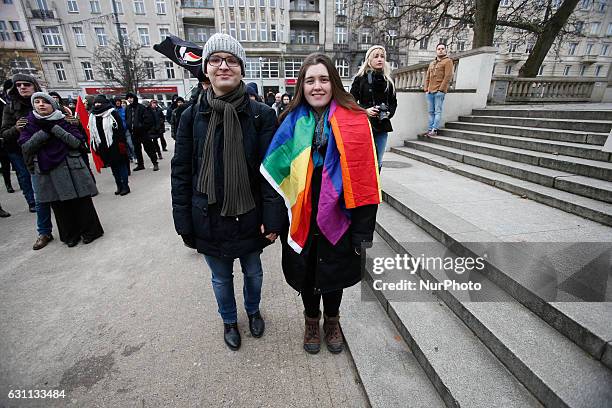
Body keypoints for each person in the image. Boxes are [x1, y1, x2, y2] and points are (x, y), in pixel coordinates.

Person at [261, 53, 380, 355]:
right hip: (300, 213)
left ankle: (333, 320)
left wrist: (363, 231)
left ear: (334, 83)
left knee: (334, 272)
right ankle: (312, 320)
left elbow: (367, 179)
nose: (317, 86)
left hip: (341, 212)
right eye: (310, 80)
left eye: (324, 79)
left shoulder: (356, 121)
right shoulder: (288, 123)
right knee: (307, 271)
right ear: (301, 85)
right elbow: (274, 175)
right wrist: (275, 220)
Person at [171, 33, 284, 351]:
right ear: (205, 68)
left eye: (231, 60)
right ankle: (230, 321)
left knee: (254, 273)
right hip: (207, 214)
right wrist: (183, 222)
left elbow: (272, 172)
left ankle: (252, 311)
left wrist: (274, 217)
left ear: (241, 69)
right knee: (221, 279)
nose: (223, 66)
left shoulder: (261, 114)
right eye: (216, 60)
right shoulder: (190, 117)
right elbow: (181, 173)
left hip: (249, 214)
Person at [18, 92, 103, 247]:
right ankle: (70, 235)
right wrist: (44, 133)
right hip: (47, 169)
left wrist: (56, 129)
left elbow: (77, 142)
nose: (41, 104)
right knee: (59, 205)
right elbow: (26, 146)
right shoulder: (29, 124)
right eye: (37, 102)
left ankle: (90, 232)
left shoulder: (66, 121)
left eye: (45, 102)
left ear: (53, 105)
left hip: (71, 167)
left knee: (81, 202)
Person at [350, 45, 397, 168]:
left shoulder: (388, 80)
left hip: (382, 125)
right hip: (364, 125)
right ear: (369, 60)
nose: (380, 59)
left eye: (382, 56)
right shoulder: (360, 79)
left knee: (378, 161)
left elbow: (393, 102)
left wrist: (388, 113)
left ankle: (376, 187)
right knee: (364, 160)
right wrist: (365, 110)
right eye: (376, 56)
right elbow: (351, 102)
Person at [0, 74, 38, 213]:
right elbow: (4, 133)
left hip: (41, 146)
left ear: (34, 86)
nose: (22, 87)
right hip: (18, 149)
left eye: (26, 84)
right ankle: (32, 201)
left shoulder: (40, 101)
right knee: (25, 175)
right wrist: (16, 128)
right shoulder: (10, 107)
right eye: (18, 85)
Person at [89, 95, 130, 196]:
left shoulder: (112, 113)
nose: (97, 105)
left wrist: (121, 143)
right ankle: (119, 185)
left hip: (116, 145)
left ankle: (125, 186)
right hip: (104, 147)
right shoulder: (93, 116)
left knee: (121, 165)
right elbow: (93, 133)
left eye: (99, 103)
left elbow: (120, 129)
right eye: (95, 103)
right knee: (113, 167)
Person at [424, 43, 454, 137]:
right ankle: (429, 129)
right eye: (438, 49)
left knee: (437, 111)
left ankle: (434, 130)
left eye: (442, 48)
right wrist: (426, 89)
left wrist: (441, 90)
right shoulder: (432, 63)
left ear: (445, 50)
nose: (440, 50)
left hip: (439, 91)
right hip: (430, 91)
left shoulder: (448, 61)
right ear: (436, 51)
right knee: (430, 112)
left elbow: (448, 76)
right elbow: (427, 76)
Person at [125, 92, 159, 171]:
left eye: (131, 98)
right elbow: (127, 119)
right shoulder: (128, 108)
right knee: (137, 149)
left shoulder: (141, 107)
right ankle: (140, 164)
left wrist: (142, 127)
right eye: (128, 98)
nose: (129, 99)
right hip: (133, 133)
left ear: (134, 98)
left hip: (143, 132)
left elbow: (148, 119)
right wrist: (129, 126)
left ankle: (155, 163)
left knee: (149, 148)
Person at [114, 97, 135, 161]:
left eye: (119, 101)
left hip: (126, 130)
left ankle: (135, 156)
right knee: (124, 146)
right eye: (116, 101)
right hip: (119, 131)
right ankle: (129, 157)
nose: (118, 102)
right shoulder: (113, 111)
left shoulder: (124, 110)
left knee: (130, 144)